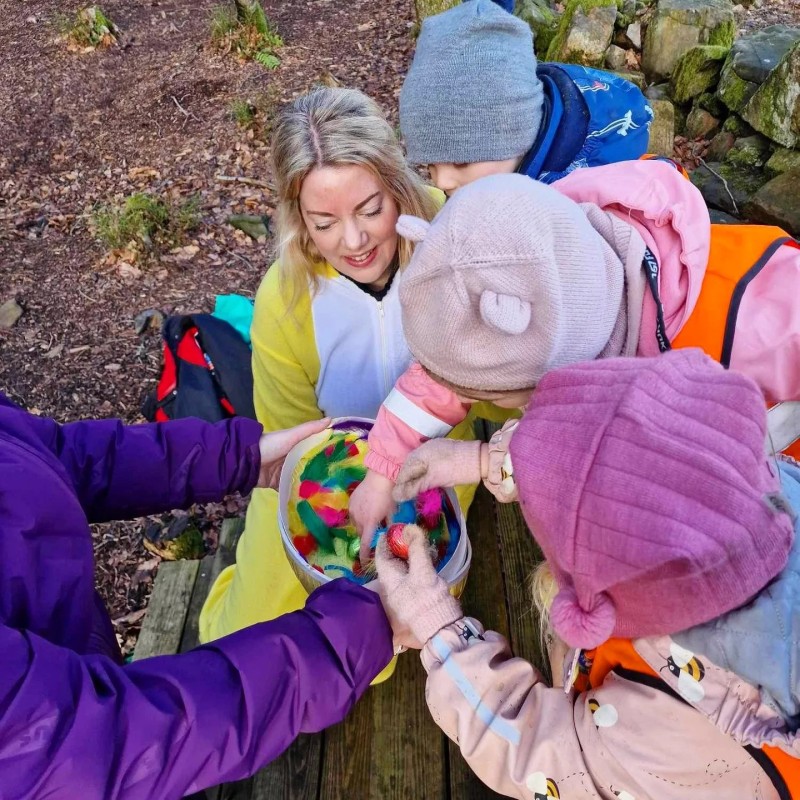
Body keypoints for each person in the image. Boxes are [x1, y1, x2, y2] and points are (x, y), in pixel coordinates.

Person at [375, 350, 800, 799]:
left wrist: (439, 628)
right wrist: (484, 461)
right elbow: (625, 459)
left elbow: (543, 757)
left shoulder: (666, 739)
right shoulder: (757, 481)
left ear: (591, 605)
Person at [350, 161, 800, 554]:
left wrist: (485, 460)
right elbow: (453, 363)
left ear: (548, 371)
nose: (462, 393)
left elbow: (636, 464)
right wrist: (381, 471)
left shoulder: (761, 323)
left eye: (491, 393)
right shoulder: (538, 250)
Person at [197, 86, 489, 647]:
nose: (354, 241)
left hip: (434, 469)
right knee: (250, 633)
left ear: (396, 184)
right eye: (324, 221)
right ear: (297, 218)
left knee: (403, 618)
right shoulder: (285, 299)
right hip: (324, 478)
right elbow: (288, 439)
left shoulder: (454, 230)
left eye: (370, 209)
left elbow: (506, 384)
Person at [0, 393, 393, 799]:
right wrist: (348, 638)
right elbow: (95, 746)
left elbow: (51, 456)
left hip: (93, 679)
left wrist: (238, 457)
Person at [399, 0, 653, 195]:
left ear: (516, 130)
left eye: (461, 161)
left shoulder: (591, 192)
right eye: (430, 165)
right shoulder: (493, 176)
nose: (441, 181)